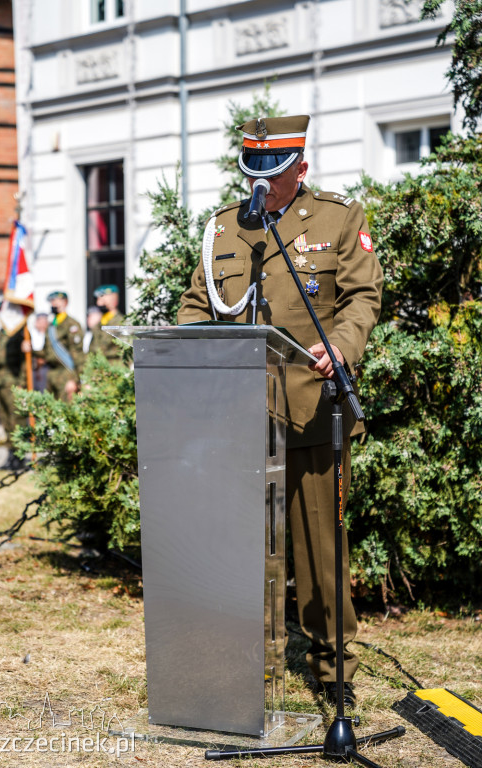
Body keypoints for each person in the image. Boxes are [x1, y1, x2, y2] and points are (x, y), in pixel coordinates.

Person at [177, 115, 383, 707]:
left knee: (320, 550)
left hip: (311, 409)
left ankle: (332, 672)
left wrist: (341, 346)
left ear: (301, 168)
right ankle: (235, 664)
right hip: (237, 416)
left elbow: (363, 295)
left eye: (277, 172)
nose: (263, 185)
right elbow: (197, 306)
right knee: (234, 546)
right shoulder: (224, 229)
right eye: (254, 173)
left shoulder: (337, 218)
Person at [0, 303, 27, 471]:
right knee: (6, 420)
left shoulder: (18, 333)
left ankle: (20, 456)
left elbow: (23, 361)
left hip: (14, 382)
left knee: (17, 421)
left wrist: (22, 383)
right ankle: (11, 454)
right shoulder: (1, 332)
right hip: (1, 381)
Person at [42, 292, 85, 401]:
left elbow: (77, 354)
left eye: (57, 301)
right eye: (52, 301)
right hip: (52, 373)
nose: (54, 304)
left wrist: (75, 379)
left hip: (66, 372)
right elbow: (46, 351)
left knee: (65, 411)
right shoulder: (51, 325)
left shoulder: (72, 324)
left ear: (65, 303)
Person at [88, 285, 124, 362]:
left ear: (114, 300)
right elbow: (92, 350)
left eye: (102, 299)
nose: (98, 303)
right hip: (98, 369)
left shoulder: (121, 323)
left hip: (114, 369)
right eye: (98, 299)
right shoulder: (99, 322)